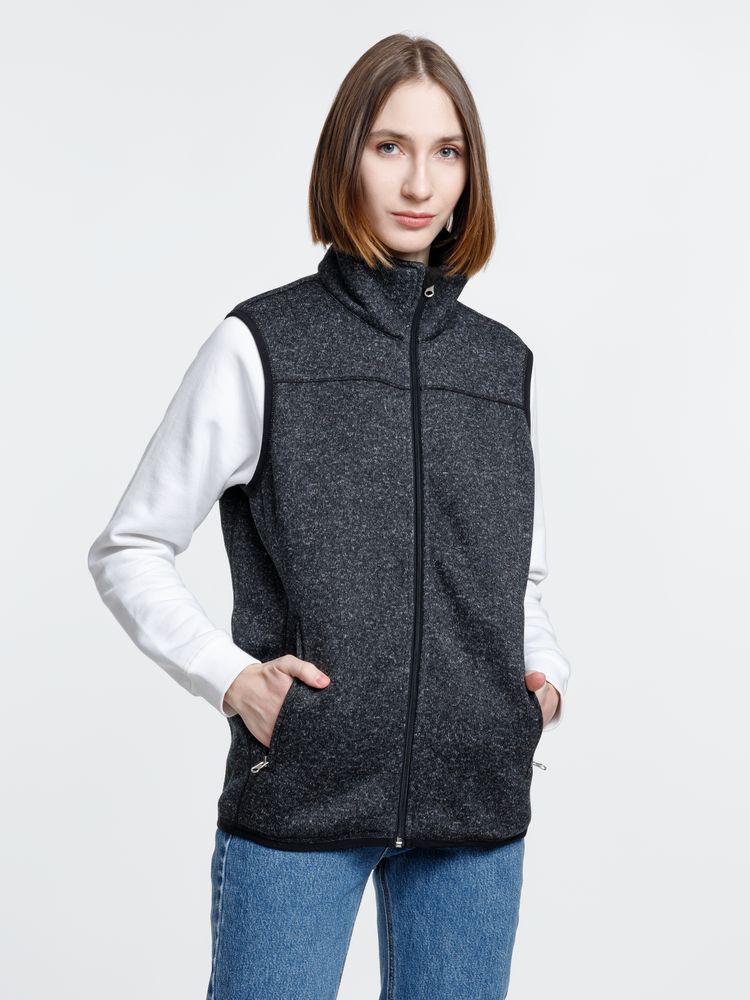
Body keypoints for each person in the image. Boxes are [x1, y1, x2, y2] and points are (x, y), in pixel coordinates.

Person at [88, 32, 571, 1000]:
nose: (419, 182)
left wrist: (542, 682)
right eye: (390, 146)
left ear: (470, 172)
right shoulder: (262, 343)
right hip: (304, 795)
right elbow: (130, 545)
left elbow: (515, 571)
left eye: (446, 151)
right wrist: (234, 680)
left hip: (475, 803)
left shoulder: (500, 365)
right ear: (346, 155)